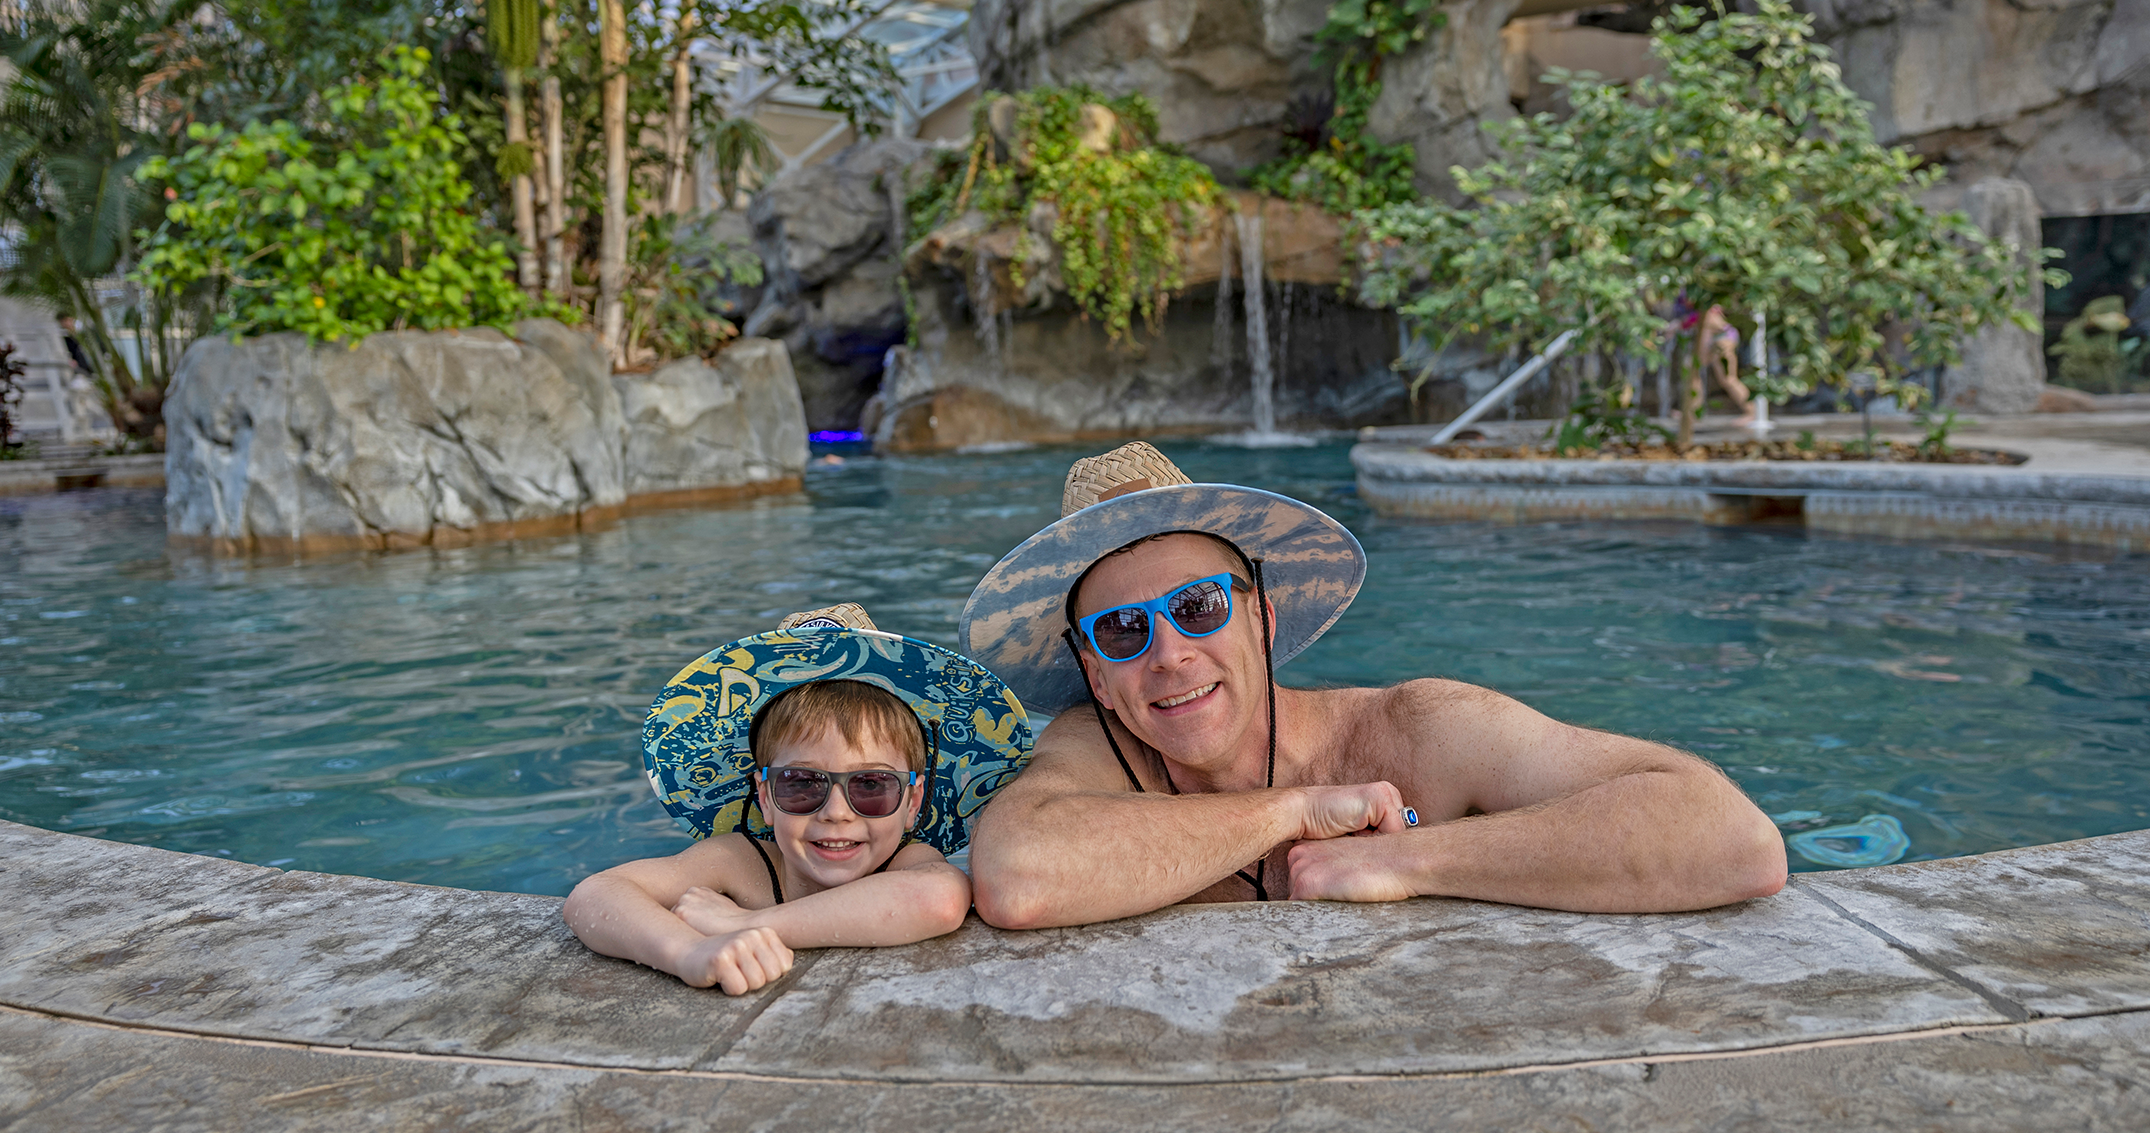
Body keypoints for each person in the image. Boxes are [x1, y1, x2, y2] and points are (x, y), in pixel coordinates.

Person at [960, 442, 1787, 929]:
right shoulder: (1096, 748)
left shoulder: (1416, 728)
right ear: (1099, 679)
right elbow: (1018, 875)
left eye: (1199, 605)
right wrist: (1294, 812)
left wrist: (1408, 859)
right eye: (1124, 629)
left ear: (1263, 622)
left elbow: (1733, 840)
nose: (1169, 654)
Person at [565, 603, 1034, 992]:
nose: (835, 813)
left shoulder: (909, 861)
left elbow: (939, 900)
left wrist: (745, 925)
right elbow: (594, 895)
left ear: (913, 801)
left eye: (870, 785)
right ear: (764, 796)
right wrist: (687, 952)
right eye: (802, 784)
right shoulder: (742, 861)